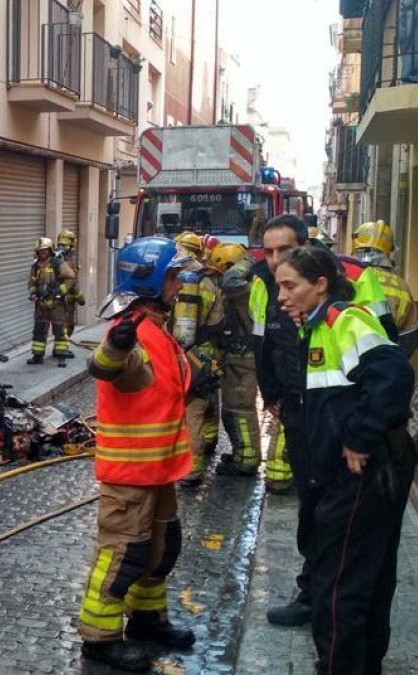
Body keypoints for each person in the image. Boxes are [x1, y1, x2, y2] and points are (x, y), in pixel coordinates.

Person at [273, 246, 416, 675]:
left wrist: (358, 437)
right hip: (348, 474)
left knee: (337, 585)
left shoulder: (345, 320)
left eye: (289, 285)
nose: (281, 296)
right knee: (364, 578)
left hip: (361, 474)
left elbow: (393, 374)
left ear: (320, 285)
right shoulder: (314, 327)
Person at [249, 214, 396, 628]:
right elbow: (263, 342)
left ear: (307, 249)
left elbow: (382, 349)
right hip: (299, 411)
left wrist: (361, 428)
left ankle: (336, 598)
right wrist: (273, 394)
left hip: (338, 414)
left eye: (284, 251)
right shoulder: (266, 283)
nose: (275, 261)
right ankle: (316, 588)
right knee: (311, 503)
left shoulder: (353, 279)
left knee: (339, 511)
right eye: (269, 251)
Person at [78, 237, 196, 672]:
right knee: (122, 554)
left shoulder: (158, 327)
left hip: (160, 470)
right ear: (149, 279)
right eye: (172, 275)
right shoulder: (128, 331)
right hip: (130, 473)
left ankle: (147, 619)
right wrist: (116, 347)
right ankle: (100, 638)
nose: (180, 282)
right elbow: (107, 366)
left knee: (159, 550)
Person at [169, 232, 225, 485]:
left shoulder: (188, 281)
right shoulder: (209, 278)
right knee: (208, 399)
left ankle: (192, 469)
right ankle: (210, 440)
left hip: (192, 352)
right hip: (210, 350)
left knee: (191, 409)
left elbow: (185, 327)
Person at [208, 243, 262, 477]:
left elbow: (230, 280)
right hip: (236, 355)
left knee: (239, 409)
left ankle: (247, 461)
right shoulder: (246, 287)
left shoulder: (243, 289)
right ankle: (241, 454)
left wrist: (247, 262)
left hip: (243, 358)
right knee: (232, 410)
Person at [352, 220, 418, 357]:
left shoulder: (344, 277)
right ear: (389, 250)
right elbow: (410, 337)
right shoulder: (401, 285)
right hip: (387, 363)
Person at [27, 237, 77, 367]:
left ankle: (61, 355)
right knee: (39, 330)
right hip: (41, 304)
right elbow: (31, 282)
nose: (42, 253)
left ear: (50, 250)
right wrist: (33, 293)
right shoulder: (35, 266)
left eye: (44, 250)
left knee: (60, 330)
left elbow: (70, 278)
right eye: (40, 251)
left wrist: (59, 291)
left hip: (57, 304)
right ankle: (37, 356)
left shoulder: (57, 263)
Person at [54, 228, 86, 341]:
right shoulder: (62, 258)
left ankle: (61, 348)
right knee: (66, 326)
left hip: (65, 298)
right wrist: (80, 298)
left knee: (64, 326)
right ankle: (61, 349)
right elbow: (71, 281)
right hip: (64, 299)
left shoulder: (65, 257)